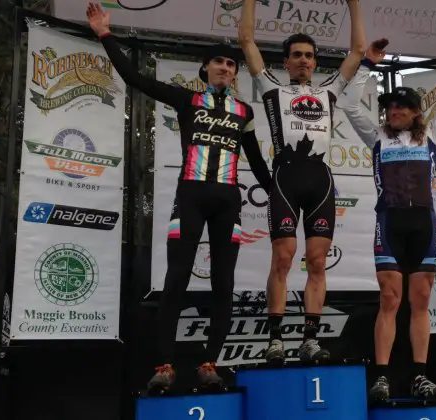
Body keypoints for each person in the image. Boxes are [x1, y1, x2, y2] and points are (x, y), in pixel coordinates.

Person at [86, 3, 272, 392]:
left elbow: (256, 162)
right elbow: (135, 78)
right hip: (190, 195)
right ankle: (165, 365)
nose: (225, 67)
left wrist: (281, 196)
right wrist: (106, 35)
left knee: (224, 283)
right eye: (218, 62)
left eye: (231, 64)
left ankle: (210, 363)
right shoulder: (187, 100)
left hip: (228, 201)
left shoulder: (244, 110)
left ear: (236, 73)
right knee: (176, 281)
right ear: (205, 69)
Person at [337, 24, 436, 401]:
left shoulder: (431, 134)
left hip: (423, 225)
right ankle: (381, 377)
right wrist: (366, 64)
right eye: (390, 107)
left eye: (401, 107)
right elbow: (348, 104)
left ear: (416, 113)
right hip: (390, 222)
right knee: (389, 299)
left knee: (421, 300)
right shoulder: (376, 136)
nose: (393, 111)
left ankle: (420, 376)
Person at [237, 0, 366, 363]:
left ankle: (310, 339)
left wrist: (353, 4)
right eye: (297, 55)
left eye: (309, 55)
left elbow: (357, 50)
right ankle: (275, 338)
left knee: (318, 262)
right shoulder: (271, 88)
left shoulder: (329, 91)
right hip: (285, 180)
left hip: (321, 181)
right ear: (286, 61)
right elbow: (246, 39)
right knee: (283, 256)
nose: (304, 60)